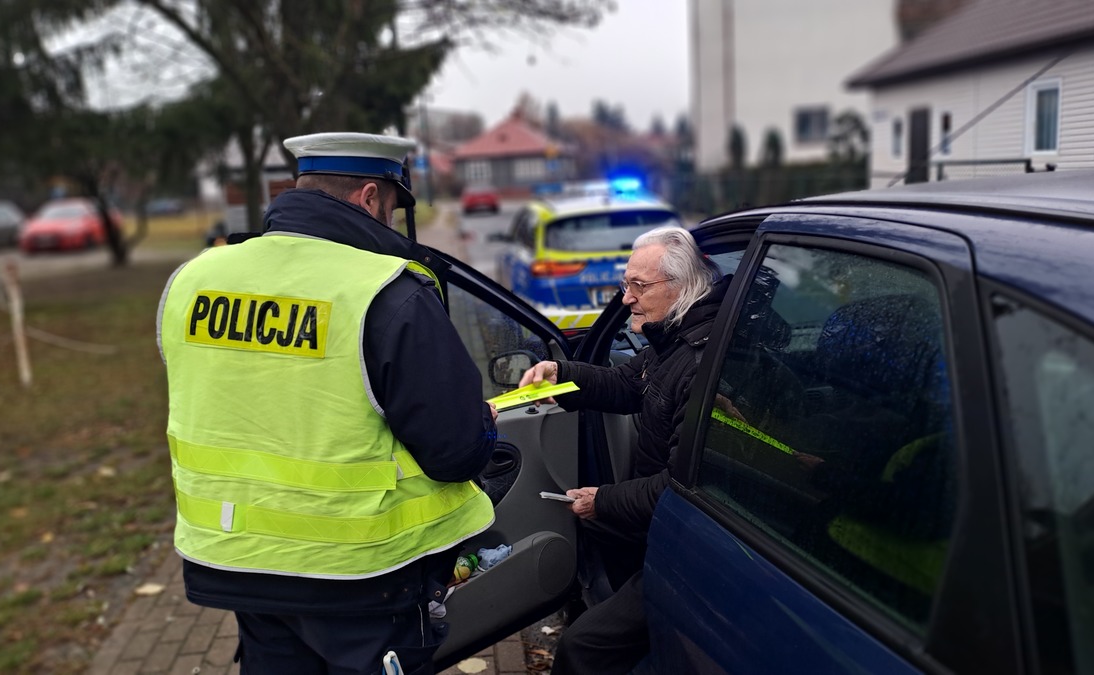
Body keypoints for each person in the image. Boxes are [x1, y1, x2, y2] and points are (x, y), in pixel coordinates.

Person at [156, 132, 499, 675]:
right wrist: (484, 424)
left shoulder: (193, 279)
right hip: (362, 580)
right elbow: (455, 452)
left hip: (238, 561)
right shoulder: (388, 291)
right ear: (369, 197)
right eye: (391, 207)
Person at [517, 225, 726, 674]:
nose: (626, 298)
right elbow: (628, 384)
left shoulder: (699, 362)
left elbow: (679, 488)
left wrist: (605, 500)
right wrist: (562, 373)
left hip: (683, 544)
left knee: (582, 647)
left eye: (637, 286)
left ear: (681, 286)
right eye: (625, 284)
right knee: (592, 535)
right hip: (655, 522)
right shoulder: (672, 341)